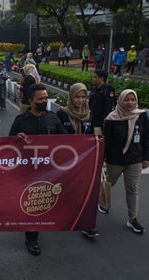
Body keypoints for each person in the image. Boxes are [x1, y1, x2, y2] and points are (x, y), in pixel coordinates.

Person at [9, 84, 67, 255]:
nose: (44, 101)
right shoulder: (21, 121)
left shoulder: (53, 118)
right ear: (31, 101)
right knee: (33, 203)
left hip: (51, 169)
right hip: (29, 171)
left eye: (46, 97)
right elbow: (8, 143)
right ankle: (31, 238)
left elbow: (68, 141)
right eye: (40, 99)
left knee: (51, 200)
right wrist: (17, 139)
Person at [103, 89, 149, 234]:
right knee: (107, 184)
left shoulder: (142, 116)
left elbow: (147, 138)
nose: (130, 102)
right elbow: (106, 141)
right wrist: (102, 160)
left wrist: (146, 157)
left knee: (132, 189)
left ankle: (133, 219)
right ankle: (103, 203)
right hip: (115, 160)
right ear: (120, 100)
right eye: (126, 99)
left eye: (132, 99)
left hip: (135, 160)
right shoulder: (111, 119)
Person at [55, 84, 97, 238]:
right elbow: (56, 138)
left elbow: (93, 135)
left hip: (85, 160)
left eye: (83, 97)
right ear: (71, 97)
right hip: (66, 160)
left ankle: (85, 223)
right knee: (66, 188)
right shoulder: (61, 114)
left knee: (84, 190)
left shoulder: (90, 115)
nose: (80, 100)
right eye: (77, 97)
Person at [88, 70, 116, 136]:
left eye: (95, 77)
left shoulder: (108, 90)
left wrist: (104, 124)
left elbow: (109, 108)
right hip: (93, 121)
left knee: (99, 142)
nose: (93, 79)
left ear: (102, 78)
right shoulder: (94, 90)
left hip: (100, 123)